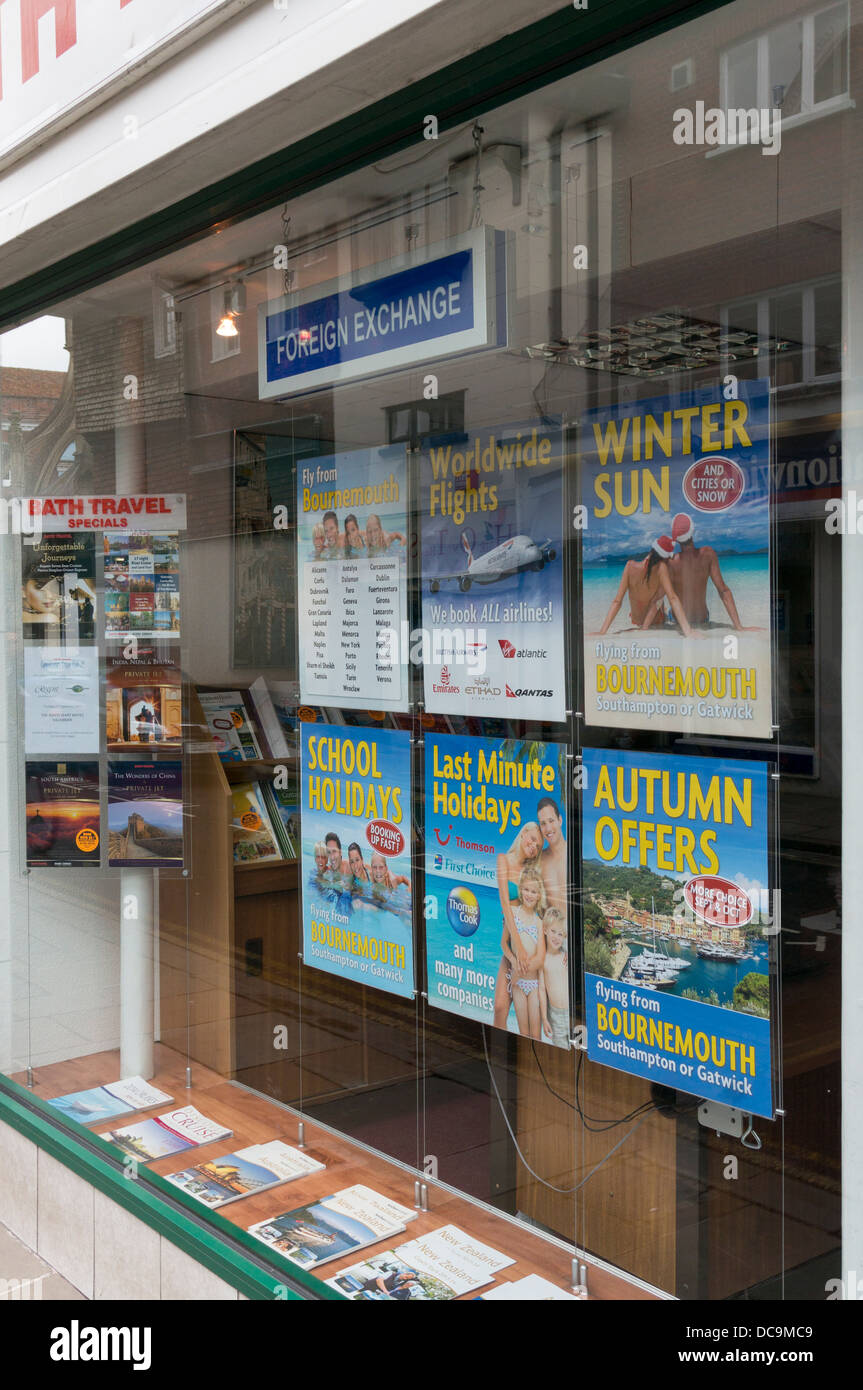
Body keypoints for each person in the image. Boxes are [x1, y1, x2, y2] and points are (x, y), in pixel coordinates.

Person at [591, 536, 704, 638]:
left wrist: (602, 632)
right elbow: (671, 599)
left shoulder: (629, 566)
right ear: (665, 558)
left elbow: (617, 601)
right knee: (662, 599)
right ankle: (669, 614)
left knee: (658, 599)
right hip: (657, 621)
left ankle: (664, 613)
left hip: (637, 620)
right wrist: (688, 631)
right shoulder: (662, 568)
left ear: (652, 550)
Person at [665, 512, 761, 631]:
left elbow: (659, 596)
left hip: (678, 621)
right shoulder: (708, 554)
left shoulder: (672, 562)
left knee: (664, 606)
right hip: (703, 619)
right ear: (693, 531)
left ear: (677, 540)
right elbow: (723, 591)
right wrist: (739, 626)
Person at [492, 822, 544, 1029]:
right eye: (532, 839)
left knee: (530, 1022)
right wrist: (517, 950)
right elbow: (505, 903)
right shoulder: (503, 860)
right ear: (523, 834)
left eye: (538, 846)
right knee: (499, 1007)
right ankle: (499, 1055)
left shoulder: (531, 872)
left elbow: (539, 909)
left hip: (528, 942)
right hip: (513, 944)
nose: (533, 846)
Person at [501, 866, 546, 1040]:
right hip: (518, 985)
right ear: (520, 890)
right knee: (523, 1032)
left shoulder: (539, 923)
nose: (529, 894)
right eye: (526, 889)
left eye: (533, 891)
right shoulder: (512, 914)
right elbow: (504, 943)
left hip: (533, 984)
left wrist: (520, 971)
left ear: (539, 895)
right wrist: (512, 961)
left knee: (536, 1034)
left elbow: (540, 958)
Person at [539, 908, 569, 1050]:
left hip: (573, 1012)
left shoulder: (565, 957)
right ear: (545, 930)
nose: (557, 937)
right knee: (561, 1049)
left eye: (560, 934)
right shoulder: (543, 960)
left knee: (579, 1045)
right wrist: (544, 1018)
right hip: (556, 1015)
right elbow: (542, 989)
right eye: (553, 931)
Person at [538, 796, 568, 916]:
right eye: (543, 823)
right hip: (548, 933)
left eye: (551, 821)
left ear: (560, 820)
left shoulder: (573, 855)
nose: (548, 828)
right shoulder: (540, 861)